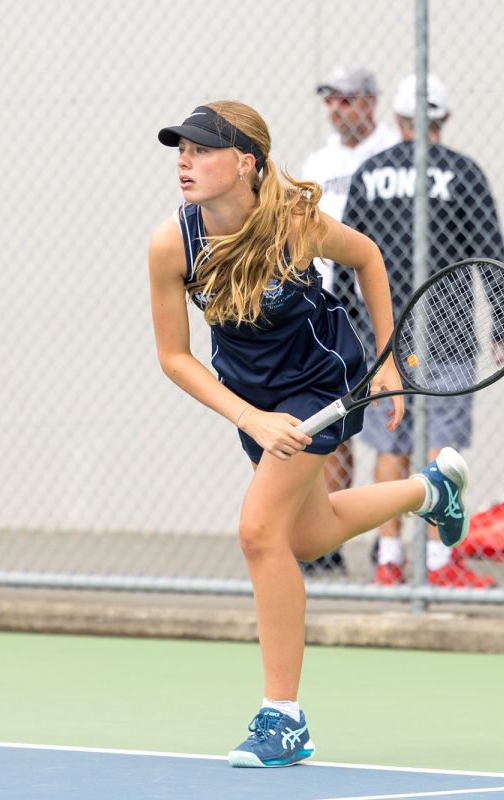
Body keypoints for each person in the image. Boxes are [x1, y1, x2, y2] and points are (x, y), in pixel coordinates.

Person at [149, 100, 472, 767]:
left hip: (323, 386)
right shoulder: (171, 245)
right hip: (255, 403)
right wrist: (250, 418)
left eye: (202, 150)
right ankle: (428, 490)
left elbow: (369, 257)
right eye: (180, 150)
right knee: (307, 535)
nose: (186, 161)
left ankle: (283, 719)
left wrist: (387, 363)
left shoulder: (295, 225)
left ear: (246, 163)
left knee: (258, 532)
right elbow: (175, 357)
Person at [335, 74, 504, 588]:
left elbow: (348, 259)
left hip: (384, 338)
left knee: (391, 445)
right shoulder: (464, 173)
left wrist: (348, 330)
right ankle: (437, 562)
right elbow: (490, 252)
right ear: (444, 120)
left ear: (398, 120)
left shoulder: (370, 173)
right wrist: (500, 324)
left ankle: (388, 556)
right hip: (450, 332)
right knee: (443, 447)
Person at [297, 66, 401, 577]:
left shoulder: (394, 153)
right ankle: (326, 544)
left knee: (387, 433)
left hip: (378, 306)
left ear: (370, 102)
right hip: (327, 313)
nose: (338, 110)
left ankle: (390, 551)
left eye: (347, 100)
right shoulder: (319, 162)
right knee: (331, 431)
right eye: (331, 101)